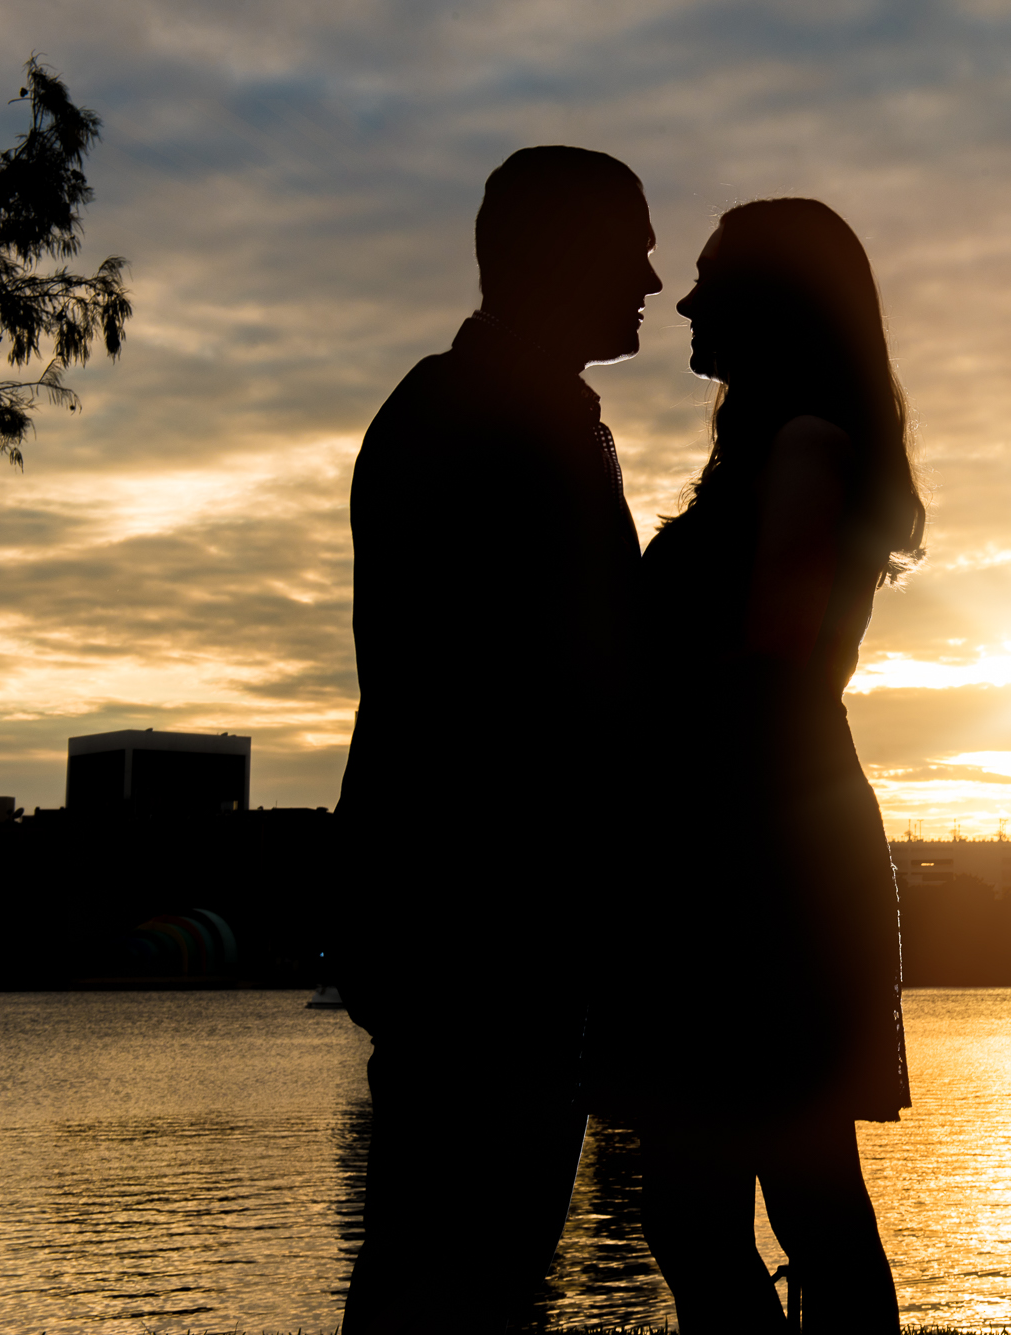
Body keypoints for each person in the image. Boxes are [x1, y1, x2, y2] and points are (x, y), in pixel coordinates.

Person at [334, 146, 659, 1335]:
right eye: (631, 246)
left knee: (467, 1252)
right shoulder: (488, 418)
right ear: (558, 255)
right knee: (456, 1257)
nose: (653, 278)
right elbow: (558, 679)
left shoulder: (488, 406)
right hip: (484, 913)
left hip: (479, 914)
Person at [592, 198, 922, 1333]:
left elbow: (773, 660)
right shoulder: (781, 448)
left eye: (707, 280)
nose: (682, 302)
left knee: (741, 1197)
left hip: (758, 856)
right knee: (763, 1192)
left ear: (770, 304)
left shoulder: (805, 446)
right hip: (749, 840)